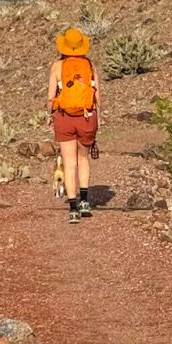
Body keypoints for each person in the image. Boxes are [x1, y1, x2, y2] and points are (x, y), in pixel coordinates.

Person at [48, 27, 99, 222]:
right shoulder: (89, 65)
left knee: (69, 163)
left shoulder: (57, 67)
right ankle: (85, 201)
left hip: (64, 117)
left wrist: (49, 114)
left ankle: (73, 208)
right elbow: (97, 97)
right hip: (87, 117)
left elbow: (50, 97)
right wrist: (97, 121)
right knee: (83, 159)